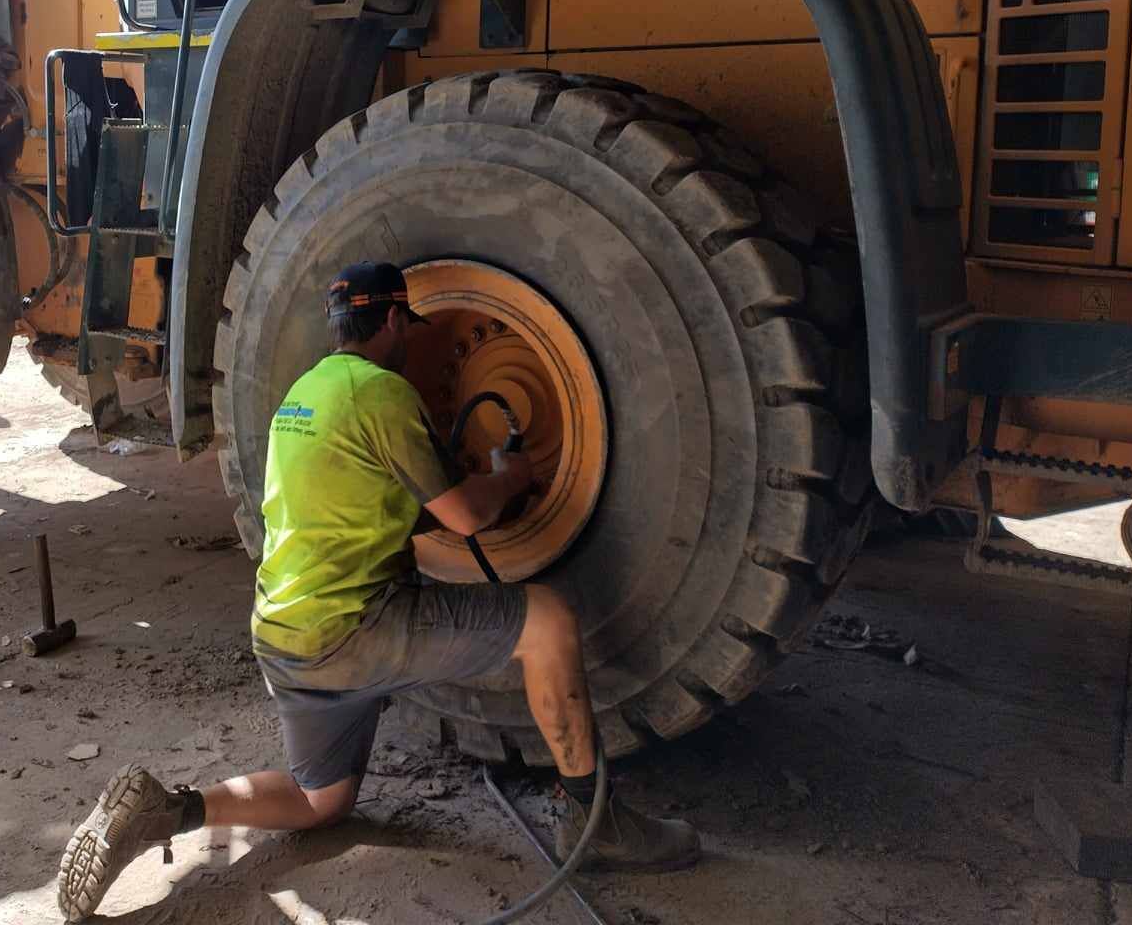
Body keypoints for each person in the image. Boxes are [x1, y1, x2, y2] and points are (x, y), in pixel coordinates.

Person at [57, 262, 699, 920]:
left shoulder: (304, 396)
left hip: (284, 636)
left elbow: (385, 508)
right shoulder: (382, 393)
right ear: (393, 320)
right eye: (410, 327)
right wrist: (510, 476)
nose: (415, 341)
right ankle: (594, 819)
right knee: (549, 622)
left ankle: (170, 810)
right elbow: (466, 517)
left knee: (321, 803)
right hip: (353, 629)